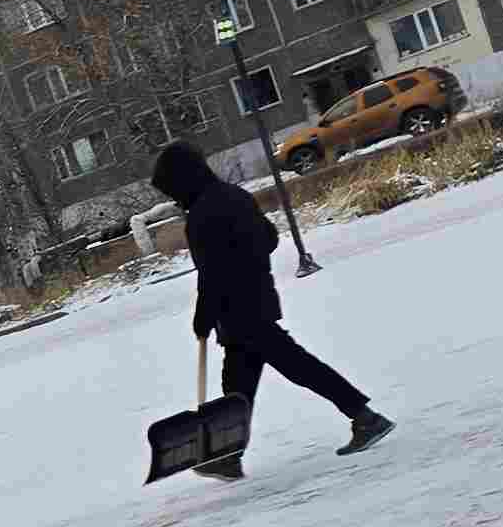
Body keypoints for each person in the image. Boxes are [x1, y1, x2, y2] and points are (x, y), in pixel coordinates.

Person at [148, 140, 395, 476]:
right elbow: (268, 238)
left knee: (296, 367)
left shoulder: (203, 215)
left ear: (183, 179)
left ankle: (365, 417)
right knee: (238, 386)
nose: (174, 199)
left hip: (241, 312)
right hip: (257, 301)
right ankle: (228, 456)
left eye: (172, 190)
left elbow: (213, 274)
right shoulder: (235, 196)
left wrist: (203, 316)